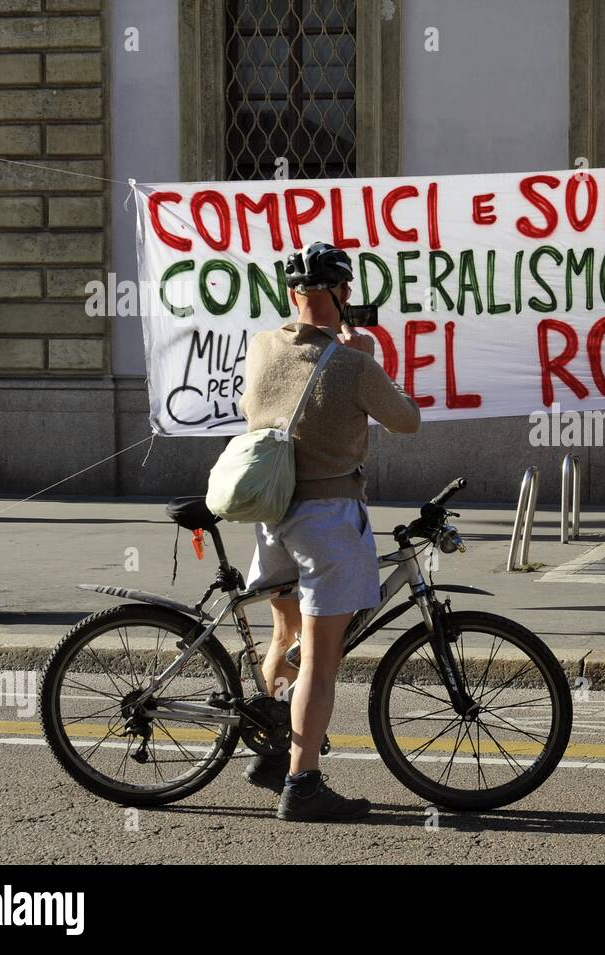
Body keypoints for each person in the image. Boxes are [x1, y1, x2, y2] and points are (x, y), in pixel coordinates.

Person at [238, 241, 421, 822]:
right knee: (320, 657)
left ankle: (271, 754)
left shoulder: (263, 345)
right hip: (327, 520)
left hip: (271, 512)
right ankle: (303, 785)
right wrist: (367, 358)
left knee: (285, 637)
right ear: (343, 294)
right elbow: (407, 420)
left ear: (293, 294)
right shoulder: (353, 362)